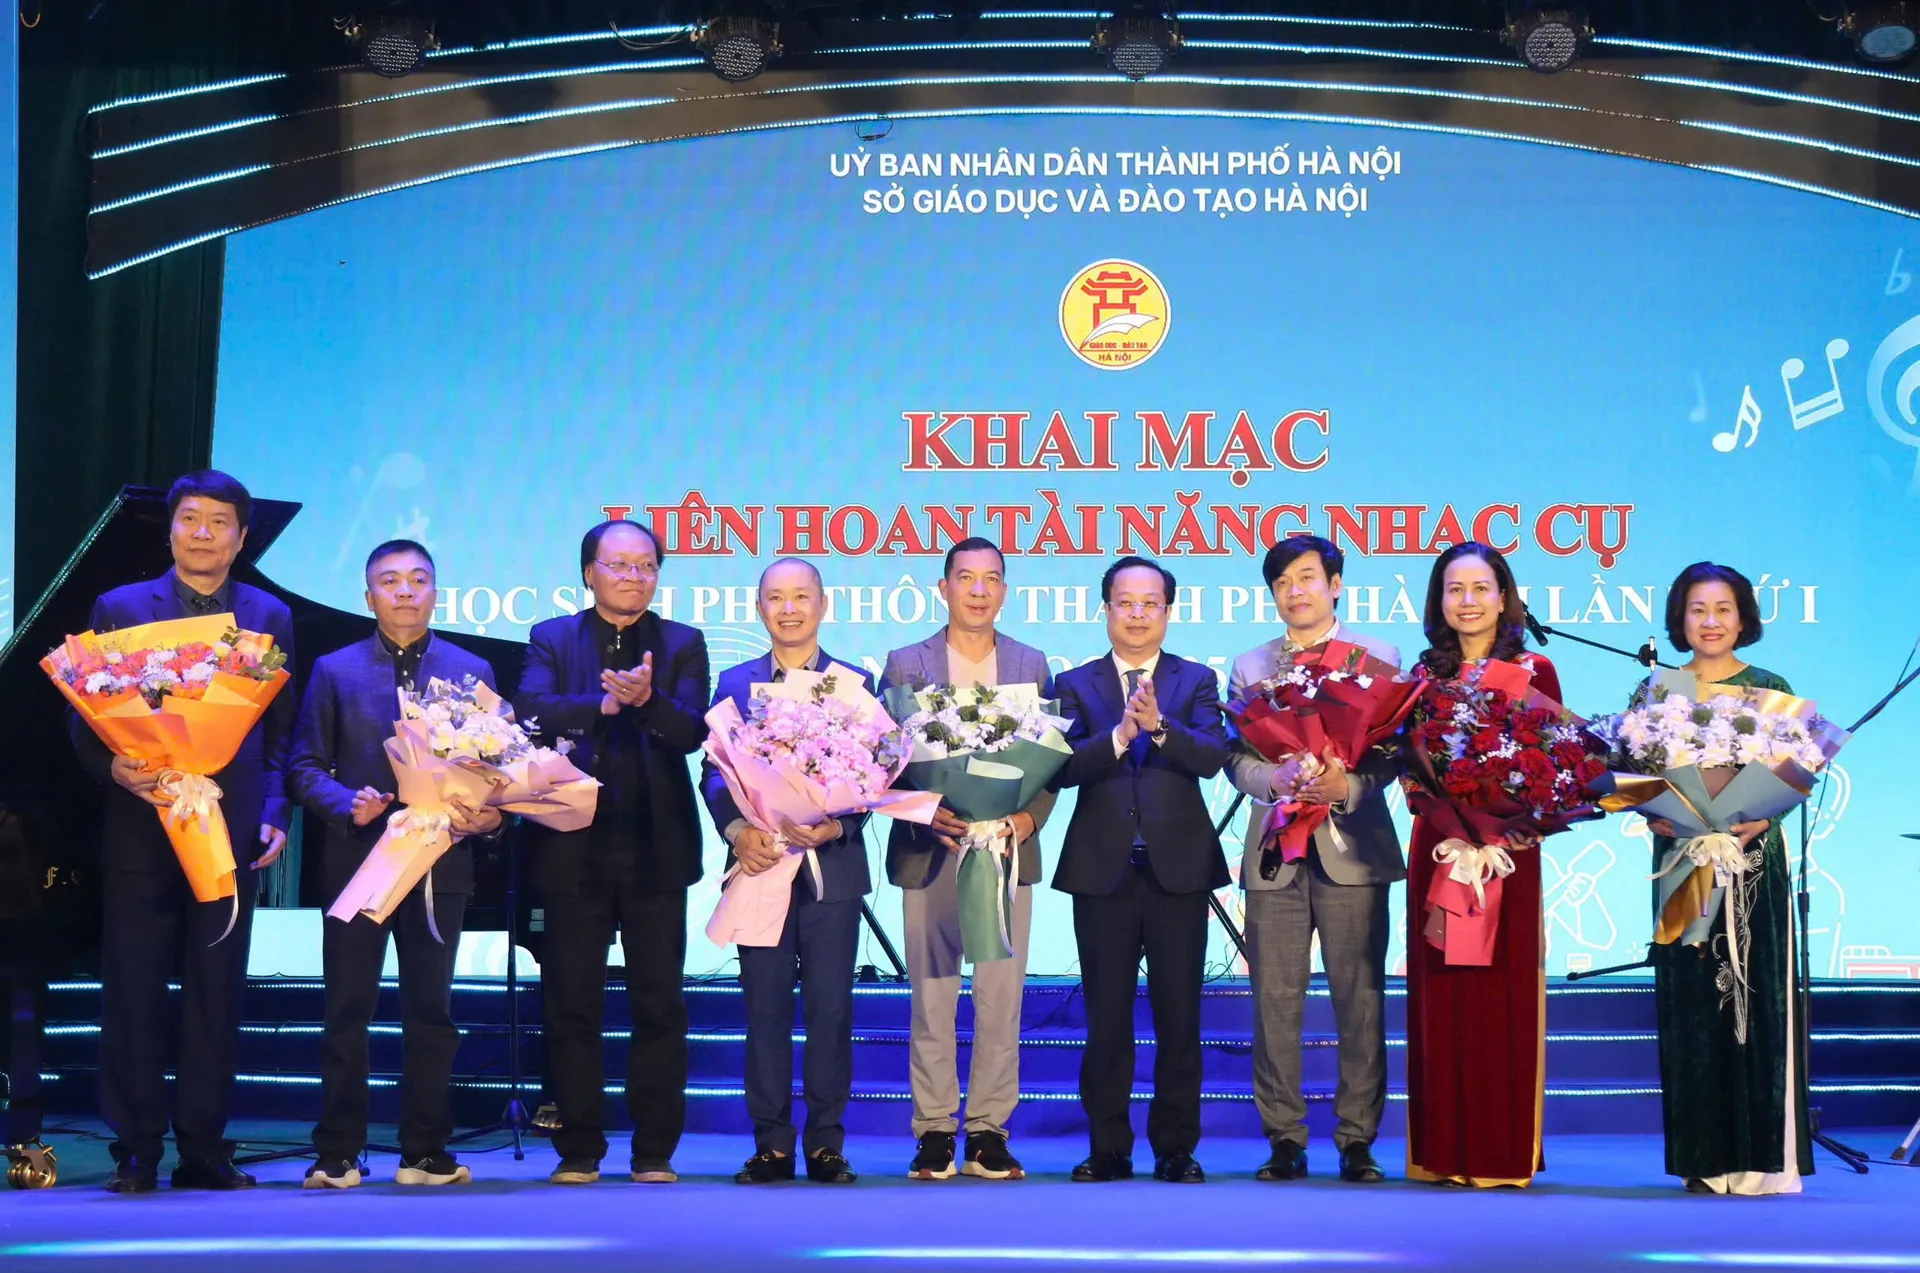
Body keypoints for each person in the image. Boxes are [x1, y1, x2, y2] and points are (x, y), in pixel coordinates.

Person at [69, 470, 296, 1193]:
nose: (203, 532)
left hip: (229, 825)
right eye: (190, 518)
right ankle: (135, 1149)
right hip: (142, 823)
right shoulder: (121, 606)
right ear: (169, 530)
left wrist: (275, 809)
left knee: (216, 991)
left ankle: (204, 1148)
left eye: (219, 521)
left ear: (241, 536)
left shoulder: (269, 613)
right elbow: (84, 709)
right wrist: (112, 766)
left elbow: (280, 729)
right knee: (132, 991)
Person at [289, 540, 501, 1189]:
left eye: (417, 580)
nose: (405, 591)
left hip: (441, 862)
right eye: (390, 581)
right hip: (359, 861)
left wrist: (490, 814)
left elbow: (498, 767)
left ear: (435, 592)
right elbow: (303, 765)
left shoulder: (471, 669)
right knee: (346, 1009)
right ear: (368, 596)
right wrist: (345, 802)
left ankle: (425, 1151)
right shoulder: (334, 669)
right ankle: (338, 1151)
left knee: (431, 1012)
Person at [515, 520, 711, 1185]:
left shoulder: (682, 641)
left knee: (660, 1002)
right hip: (571, 849)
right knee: (571, 1001)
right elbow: (530, 709)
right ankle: (579, 1147)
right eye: (619, 564)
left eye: (646, 565)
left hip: (657, 849)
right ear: (588, 572)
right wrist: (600, 704)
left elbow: (693, 731)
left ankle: (654, 1149)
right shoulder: (553, 637)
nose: (634, 576)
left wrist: (648, 700)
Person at [1225, 534, 1401, 1185]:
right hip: (1277, 850)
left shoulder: (1377, 657)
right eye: (1281, 582)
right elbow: (1234, 755)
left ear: (1335, 585)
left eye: (1306, 577)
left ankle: (1357, 1139)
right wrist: (1273, 780)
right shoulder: (1250, 665)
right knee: (1273, 998)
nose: (1294, 591)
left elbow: (1389, 753)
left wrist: (1344, 785)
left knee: (1361, 997)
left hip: (1353, 848)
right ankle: (1285, 1138)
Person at [879, 537, 1055, 1182]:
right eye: (966, 578)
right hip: (932, 848)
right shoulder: (906, 663)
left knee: (1000, 998)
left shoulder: (1031, 663)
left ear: (1004, 589)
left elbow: (1052, 763)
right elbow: (884, 759)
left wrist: (1025, 820)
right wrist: (925, 809)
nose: (979, 591)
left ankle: (987, 1131)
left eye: (991, 579)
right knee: (932, 997)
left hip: (1005, 848)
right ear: (944, 587)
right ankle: (933, 1131)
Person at [1051, 556, 1229, 1184]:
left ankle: (1176, 1147)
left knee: (1180, 1017)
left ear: (1168, 612)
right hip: (1103, 871)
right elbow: (1061, 767)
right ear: (1105, 610)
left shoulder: (1196, 679)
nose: (1137, 614)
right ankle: (1108, 1147)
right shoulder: (1074, 683)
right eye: (1124, 602)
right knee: (1107, 1018)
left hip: (1178, 871)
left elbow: (1212, 757)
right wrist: (1121, 737)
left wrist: (1159, 728)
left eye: (1150, 603)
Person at [1640, 562, 1811, 1195]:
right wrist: (1652, 811)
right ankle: (1704, 1159)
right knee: (1689, 1004)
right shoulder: (1658, 691)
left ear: (1743, 619)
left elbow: (1794, 772)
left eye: (1722, 609)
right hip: (1682, 862)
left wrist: (1763, 818)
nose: (1710, 622)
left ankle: (1761, 1161)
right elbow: (1634, 774)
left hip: (1752, 862)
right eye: (1697, 610)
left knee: (1752, 997)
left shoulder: (1770, 688)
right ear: (1679, 619)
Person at [703, 558, 869, 1186]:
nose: (790, 608)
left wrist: (838, 825)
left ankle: (826, 1144)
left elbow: (878, 773)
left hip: (832, 871)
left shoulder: (853, 683)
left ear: (824, 605)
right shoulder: (735, 682)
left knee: (831, 1012)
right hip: (761, 863)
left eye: (802, 596)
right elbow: (714, 772)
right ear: (759, 608)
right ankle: (771, 1144)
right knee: (765, 1012)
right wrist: (737, 830)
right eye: (776, 597)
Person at [1403, 541, 1559, 1188]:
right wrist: (1450, 822)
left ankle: (1499, 1155)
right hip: (1439, 849)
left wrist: (1505, 829)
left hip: (1506, 855)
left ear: (1504, 597)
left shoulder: (1534, 670)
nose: (1467, 601)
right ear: (1438, 600)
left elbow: (1555, 764)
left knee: (1501, 996)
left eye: (1480, 588)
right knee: (1440, 999)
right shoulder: (1422, 676)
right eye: (1454, 589)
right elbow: (1411, 775)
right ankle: (1441, 1152)